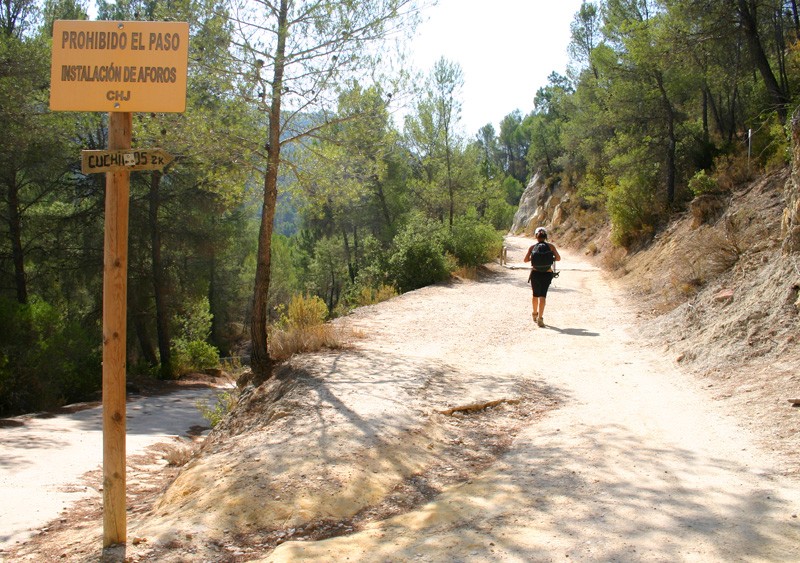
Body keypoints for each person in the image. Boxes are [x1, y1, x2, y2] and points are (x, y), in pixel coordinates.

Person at [523, 227, 561, 327]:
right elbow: (558, 258)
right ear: (546, 236)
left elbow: (525, 260)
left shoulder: (532, 247)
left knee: (535, 295)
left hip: (535, 274)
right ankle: (540, 318)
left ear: (536, 236)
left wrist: (533, 258)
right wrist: (550, 258)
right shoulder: (551, 247)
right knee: (543, 296)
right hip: (547, 274)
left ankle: (534, 314)